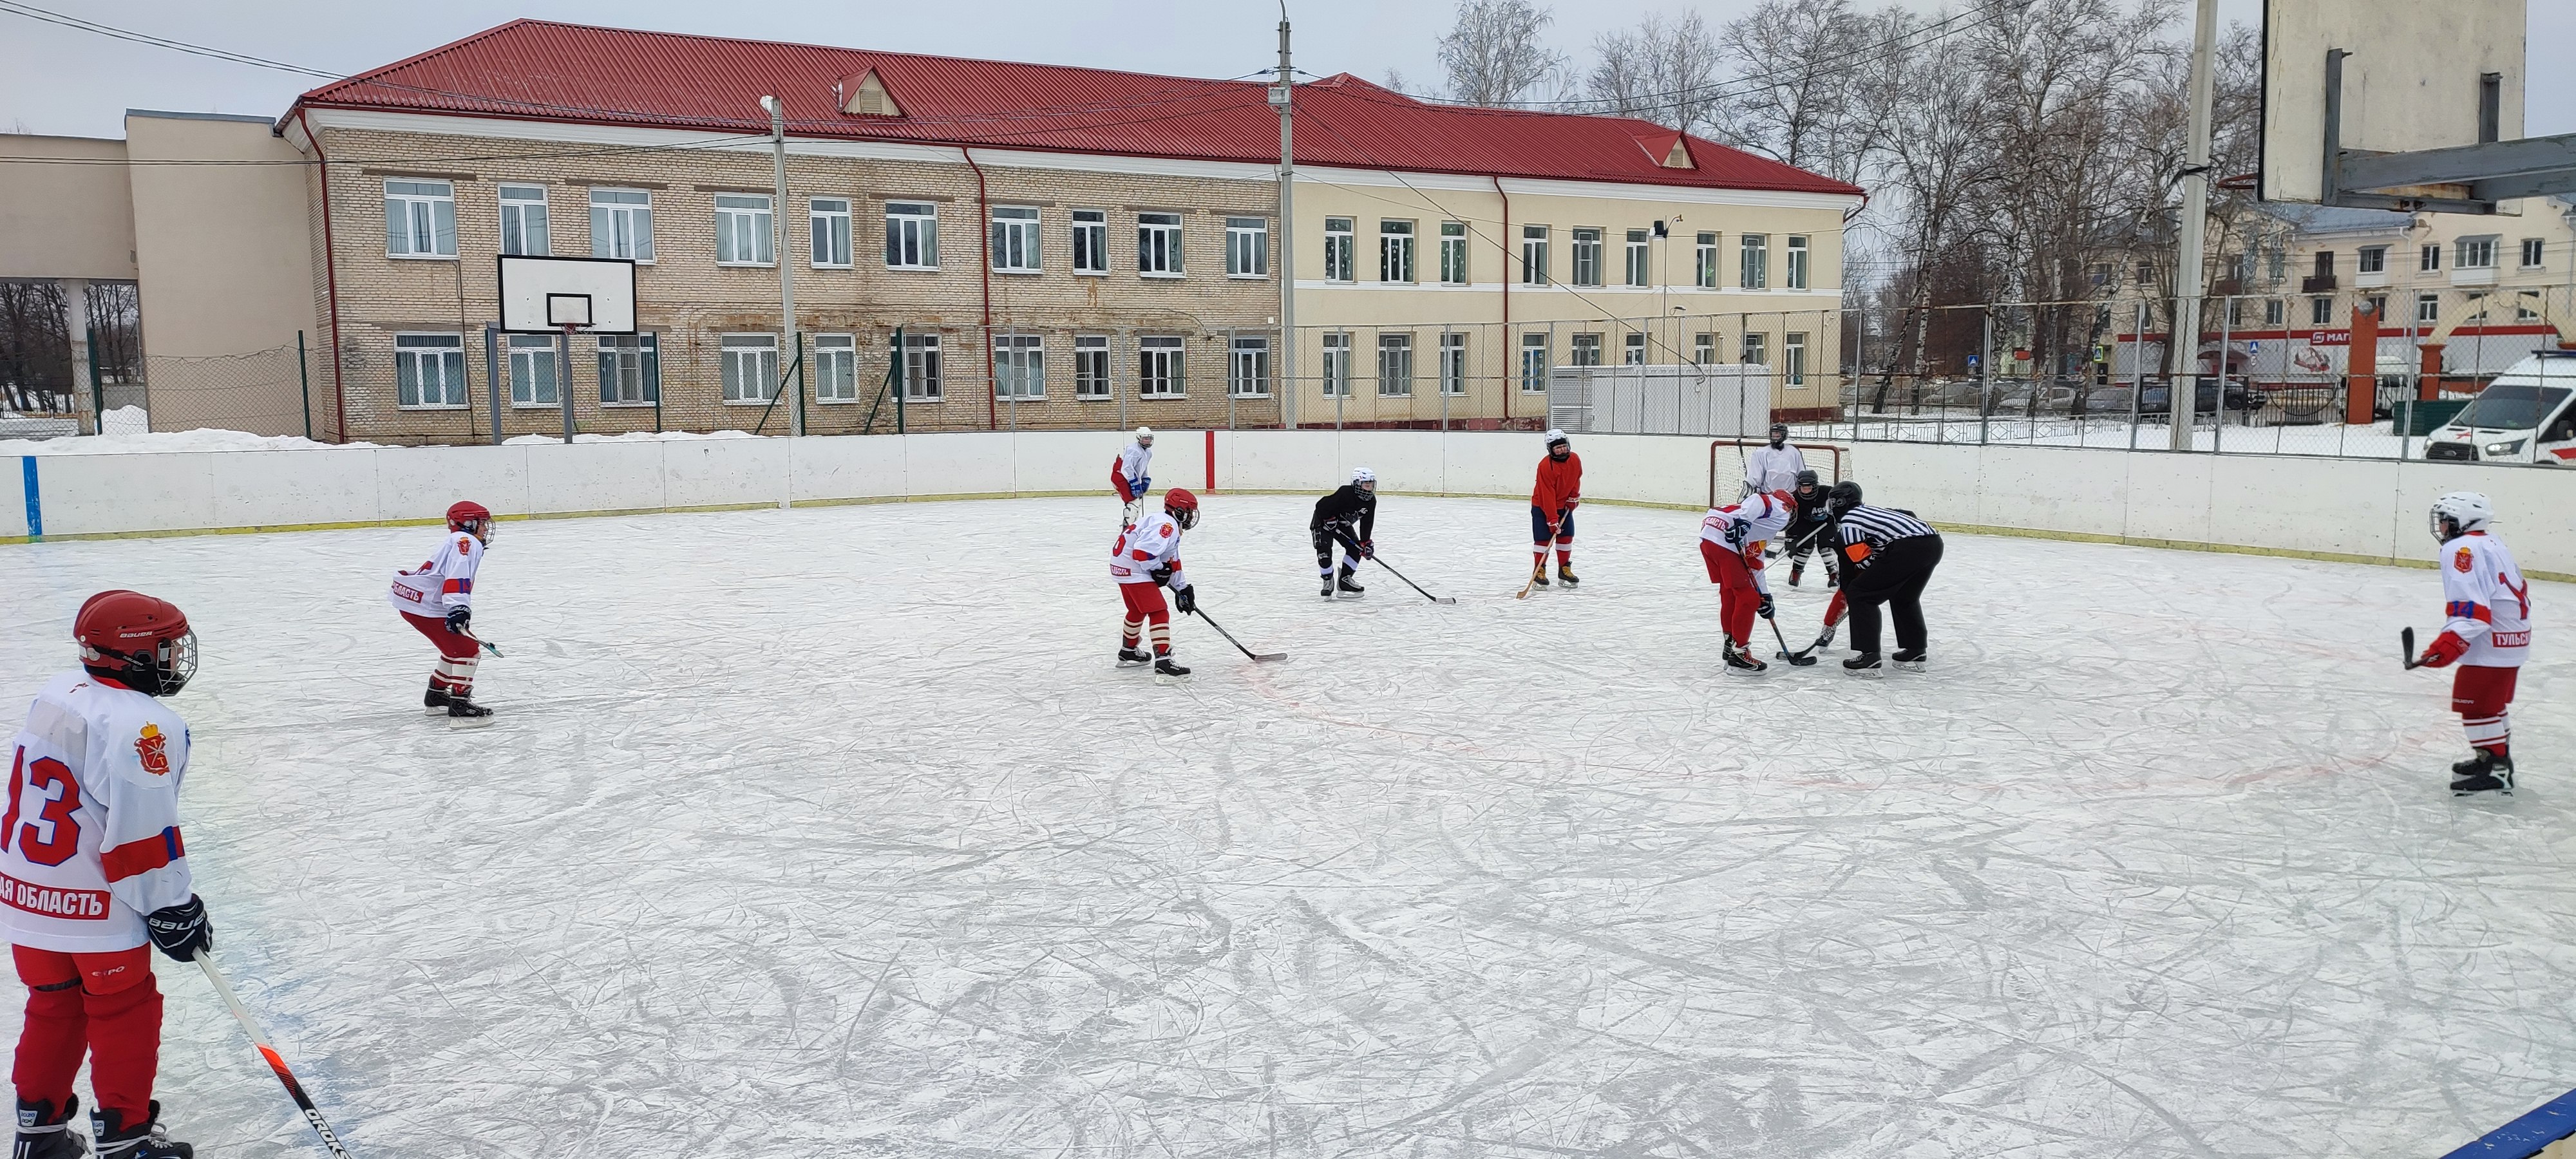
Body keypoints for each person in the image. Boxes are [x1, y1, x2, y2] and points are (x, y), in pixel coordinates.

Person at [7, 591, 211, 1159]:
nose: (175, 657)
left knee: (52, 1002)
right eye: (166, 647)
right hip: (93, 902)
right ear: (137, 655)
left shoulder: (60, 688)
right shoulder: (144, 724)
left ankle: (38, 1135)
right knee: (124, 1006)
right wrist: (173, 905)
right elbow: (140, 834)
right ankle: (128, 1142)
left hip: (26, 891)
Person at [2414, 491, 2531, 795]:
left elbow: (2473, 610)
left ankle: (2496, 770)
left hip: (2491, 641)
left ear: (2462, 522)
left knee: (2476, 705)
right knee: (2491, 705)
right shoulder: (2491, 541)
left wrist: (2447, 644)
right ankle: (2494, 761)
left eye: (2445, 521)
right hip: (2511, 636)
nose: (2441, 527)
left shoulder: (2461, 548)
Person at [388, 501, 497, 721]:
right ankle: (460, 706)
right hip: (426, 607)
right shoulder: (467, 542)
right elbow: (457, 576)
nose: (485, 528)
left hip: (417, 604)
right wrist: (458, 607)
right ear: (467, 523)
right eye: (482, 523)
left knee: (455, 649)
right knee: (468, 651)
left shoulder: (459, 539)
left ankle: (436, 696)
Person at [1823, 481, 1942, 677]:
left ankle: (1869, 658)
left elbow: (1864, 562)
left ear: (1840, 503)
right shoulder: (1870, 512)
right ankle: (1915, 651)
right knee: (1905, 597)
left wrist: (1865, 582)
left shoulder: (1850, 522)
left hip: (1907, 548)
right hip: (1933, 543)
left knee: (1860, 594)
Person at [1701, 489, 1795, 675]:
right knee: (1749, 599)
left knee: (1730, 592)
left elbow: (1755, 563)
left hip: (1709, 534)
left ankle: (1731, 643)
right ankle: (1739, 654)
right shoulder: (1782, 510)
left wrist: (1766, 596)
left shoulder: (1761, 526)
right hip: (1723, 538)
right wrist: (1743, 522)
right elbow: (1759, 499)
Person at [1110, 489, 1200, 677]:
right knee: (1159, 611)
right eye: (1190, 511)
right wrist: (1157, 568)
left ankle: (1129, 650)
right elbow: (1142, 554)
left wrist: (1183, 589)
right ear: (1180, 511)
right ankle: (1164, 661)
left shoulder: (1165, 522)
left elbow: (1172, 561)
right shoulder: (1166, 526)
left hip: (1122, 568)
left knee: (1137, 610)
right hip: (1135, 570)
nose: (1192, 516)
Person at [1311, 467, 1378, 599]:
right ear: (1357, 484)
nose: (1369, 488)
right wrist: (1328, 518)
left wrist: (1365, 542)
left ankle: (1345, 580)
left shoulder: (1371, 501)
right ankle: (1327, 580)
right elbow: (1321, 505)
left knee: (1356, 548)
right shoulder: (1345, 493)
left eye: (1371, 485)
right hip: (1323, 522)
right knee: (1324, 550)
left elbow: (1367, 522)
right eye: (1366, 484)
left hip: (1341, 524)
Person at [1530, 429, 1583, 589]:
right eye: (1556, 448)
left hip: (1564, 506)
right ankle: (1539, 571)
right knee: (1543, 540)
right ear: (1550, 449)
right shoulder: (1545, 466)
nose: (1561, 450)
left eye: (1563, 446)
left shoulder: (1575, 459)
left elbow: (1576, 479)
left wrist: (1574, 497)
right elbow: (1547, 494)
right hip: (1543, 507)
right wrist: (1552, 519)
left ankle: (1564, 570)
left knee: (1566, 537)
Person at [1779, 469, 1839, 588]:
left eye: (1809, 488)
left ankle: (1833, 573)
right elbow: (1793, 521)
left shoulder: (1828, 492)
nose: (1806, 491)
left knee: (1826, 547)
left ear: (1815, 486)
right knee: (1804, 547)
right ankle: (1796, 572)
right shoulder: (1794, 498)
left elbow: (1843, 502)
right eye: (1803, 488)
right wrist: (1791, 538)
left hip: (1827, 523)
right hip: (1805, 524)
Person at [1743, 422, 1805, 497]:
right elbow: (1754, 477)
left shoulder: (1793, 452)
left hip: (1790, 496)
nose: (1775, 436)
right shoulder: (1760, 453)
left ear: (1784, 435)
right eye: (1774, 434)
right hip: (1769, 497)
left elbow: (1801, 473)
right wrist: (1751, 490)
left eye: (1778, 434)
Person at [1111, 426, 1155, 527]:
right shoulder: (1133, 450)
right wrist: (1134, 483)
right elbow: (1126, 469)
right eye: (1145, 438)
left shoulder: (1148, 453)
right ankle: (1128, 527)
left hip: (1128, 476)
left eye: (1149, 438)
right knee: (1133, 501)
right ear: (1139, 438)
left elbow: (1143, 467)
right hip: (1120, 476)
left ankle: (1132, 525)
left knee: (1136, 500)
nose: (1148, 441)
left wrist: (1145, 479)